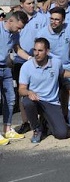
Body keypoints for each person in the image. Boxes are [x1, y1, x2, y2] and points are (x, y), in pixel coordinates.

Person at [19, 38, 70, 143]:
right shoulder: (26, 67)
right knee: (27, 102)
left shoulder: (56, 62)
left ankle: (46, 123)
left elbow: (62, 73)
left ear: (47, 51)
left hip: (52, 102)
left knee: (62, 134)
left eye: (40, 50)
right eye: (35, 50)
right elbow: (21, 89)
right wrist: (29, 92)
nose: (36, 53)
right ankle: (36, 129)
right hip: (35, 100)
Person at [13, 0, 49, 134]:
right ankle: (25, 121)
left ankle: (42, 121)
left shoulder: (42, 17)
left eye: (33, 3)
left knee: (40, 90)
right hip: (20, 60)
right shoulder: (15, 19)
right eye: (28, 4)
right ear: (21, 5)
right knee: (22, 93)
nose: (31, 6)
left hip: (38, 60)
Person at [0, 11, 28, 144]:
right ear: (11, 21)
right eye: (18, 27)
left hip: (6, 69)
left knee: (10, 99)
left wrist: (30, 59)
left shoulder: (15, 34)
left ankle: (7, 129)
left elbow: (18, 49)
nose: (19, 30)